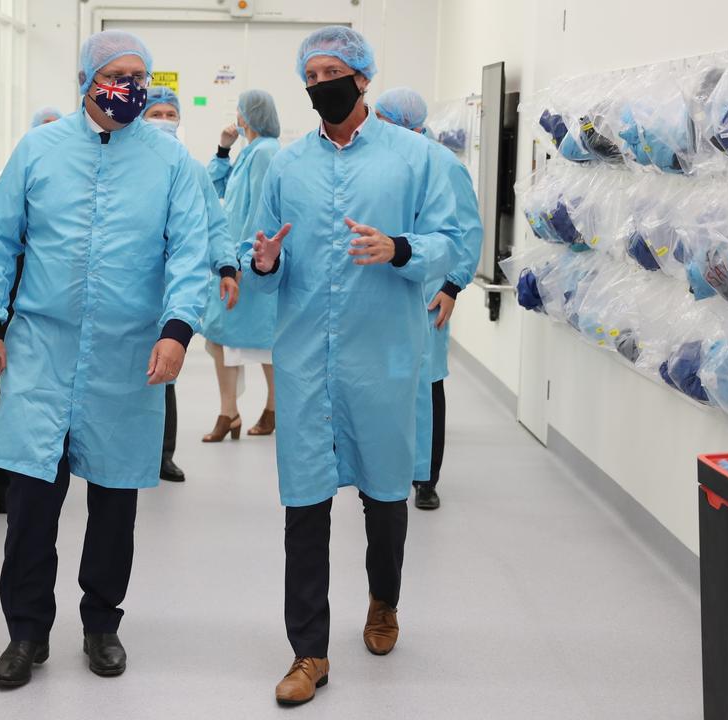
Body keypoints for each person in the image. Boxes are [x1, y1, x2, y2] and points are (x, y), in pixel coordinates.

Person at [0, 30, 209, 689]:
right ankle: (25, 633)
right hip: (41, 350)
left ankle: (101, 624)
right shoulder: (38, 150)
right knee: (30, 507)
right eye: (118, 74)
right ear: (86, 79)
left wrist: (178, 329)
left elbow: (191, 251)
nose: (131, 86)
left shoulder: (169, 162)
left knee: (113, 506)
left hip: (129, 356)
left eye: (140, 75)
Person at [242, 26, 468, 706]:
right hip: (306, 352)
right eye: (310, 74)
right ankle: (307, 651)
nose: (321, 83)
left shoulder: (414, 159)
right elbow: (257, 256)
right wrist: (263, 261)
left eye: (333, 70)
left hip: (383, 350)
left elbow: (451, 242)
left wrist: (399, 249)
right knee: (304, 498)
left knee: (383, 491)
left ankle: (383, 600)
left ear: (363, 77)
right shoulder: (283, 165)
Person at [374, 87, 483, 512]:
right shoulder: (378, 161)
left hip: (428, 292)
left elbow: (468, 231)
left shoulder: (444, 164)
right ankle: (382, 469)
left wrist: (453, 285)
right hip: (382, 287)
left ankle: (425, 478)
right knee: (381, 381)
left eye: (382, 119)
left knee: (425, 382)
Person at [140, 85, 239, 483]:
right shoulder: (123, 167)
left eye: (169, 114)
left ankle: (163, 455)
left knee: (164, 372)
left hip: (171, 290)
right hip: (122, 290)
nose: (163, 120)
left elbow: (213, 224)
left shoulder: (191, 169)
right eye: (155, 113)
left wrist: (227, 266)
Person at [202, 89, 283, 442]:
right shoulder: (250, 152)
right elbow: (212, 185)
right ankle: (231, 412)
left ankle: (268, 410)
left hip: (249, 265)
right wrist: (223, 149)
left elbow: (260, 214)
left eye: (238, 111)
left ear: (248, 115)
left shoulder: (266, 152)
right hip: (233, 259)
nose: (235, 116)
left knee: (262, 340)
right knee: (222, 336)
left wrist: (241, 261)